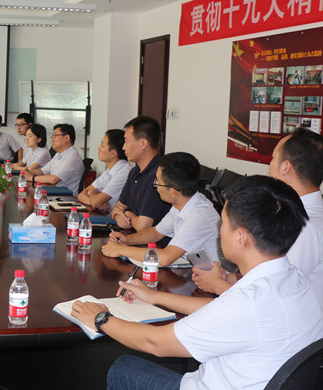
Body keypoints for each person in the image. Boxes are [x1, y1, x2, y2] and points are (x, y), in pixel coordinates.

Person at [72, 176, 323, 390]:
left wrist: (101, 319)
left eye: (224, 223)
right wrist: (154, 296)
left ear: (240, 238)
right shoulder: (294, 279)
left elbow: (155, 342)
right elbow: (220, 310)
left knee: (123, 367)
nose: (220, 229)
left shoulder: (247, 304)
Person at [193, 127, 323, 306]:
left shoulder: (304, 226)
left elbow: (274, 298)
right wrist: (231, 278)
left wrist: (218, 286)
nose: (269, 165)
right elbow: (267, 277)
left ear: (286, 167)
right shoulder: (304, 213)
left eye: (273, 158)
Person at [102, 152, 221, 266]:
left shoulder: (199, 215)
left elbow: (165, 257)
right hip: (195, 272)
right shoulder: (181, 204)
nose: (155, 186)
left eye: (158, 182)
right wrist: (126, 239)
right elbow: (155, 233)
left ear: (173, 191)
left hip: (214, 278)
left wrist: (120, 250)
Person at [111, 116, 169, 232]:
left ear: (143, 143)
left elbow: (143, 226)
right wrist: (118, 216)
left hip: (153, 241)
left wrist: (126, 213)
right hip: (132, 235)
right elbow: (118, 208)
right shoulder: (134, 171)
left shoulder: (159, 175)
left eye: (126, 140)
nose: (123, 147)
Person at [78, 129, 132, 212]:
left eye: (102, 145)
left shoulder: (124, 172)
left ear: (113, 153)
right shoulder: (109, 171)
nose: (98, 148)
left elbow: (95, 202)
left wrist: (92, 193)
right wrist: (93, 201)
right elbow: (81, 195)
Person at [25, 124, 84, 196]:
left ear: (66, 138)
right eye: (52, 136)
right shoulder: (58, 154)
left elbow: (54, 179)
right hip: (54, 191)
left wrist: (31, 177)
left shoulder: (72, 158)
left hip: (64, 197)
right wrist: (28, 171)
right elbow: (42, 171)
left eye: (55, 136)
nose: (52, 140)